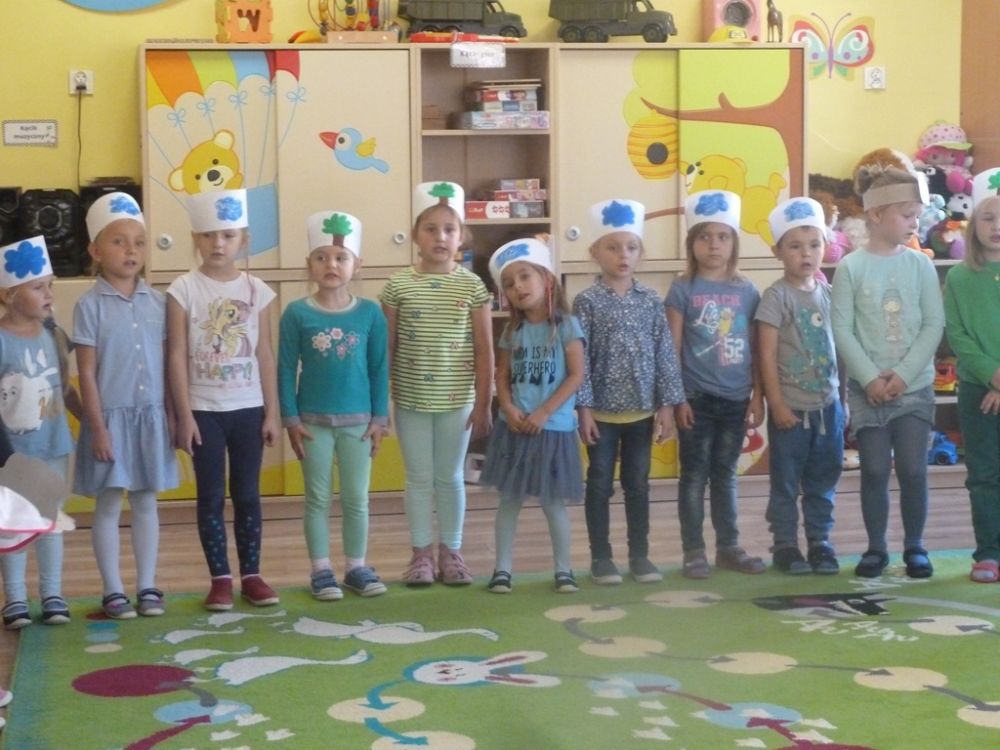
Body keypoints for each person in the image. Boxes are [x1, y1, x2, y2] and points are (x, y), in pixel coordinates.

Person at [166, 189, 281, 610]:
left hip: (248, 409)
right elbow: (176, 354)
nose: (218, 244)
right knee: (211, 496)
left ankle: (251, 575)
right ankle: (220, 579)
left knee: (248, 495)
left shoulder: (257, 290)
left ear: (243, 240)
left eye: (228, 235)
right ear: (195, 238)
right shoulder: (182, 289)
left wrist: (272, 412)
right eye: (208, 235)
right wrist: (184, 415)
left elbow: (264, 353)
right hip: (204, 411)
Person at [831, 159, 944, 579]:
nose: (914, 223)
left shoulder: (920, 265)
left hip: (914, 388)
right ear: (876, 214)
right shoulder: (851, 267)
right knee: (875, 470)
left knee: (913, 469)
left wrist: (903, 375)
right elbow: (842, 329)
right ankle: (876, 548)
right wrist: (869, 378)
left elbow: (933, 324)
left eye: (916, 215)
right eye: (906, 215)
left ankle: (915, 546)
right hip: (869, 392)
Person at [380, 182, 493, 586]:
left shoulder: (472, 286)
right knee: (418, 479)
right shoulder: (398, 285)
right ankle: (421, 555)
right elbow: (387, 348)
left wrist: (484, 403)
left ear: (462, 237)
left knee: (450, 478)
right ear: (415, 235)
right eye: (430, 229)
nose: (440, 237)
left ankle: (452, 552)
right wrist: (380, 404)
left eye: (449, 229)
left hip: (457, 401)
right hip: (410, 399)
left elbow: (484, 348)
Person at [74, 193, 178, 619]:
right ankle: (113, 590)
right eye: (118, 242)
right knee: (109, 503)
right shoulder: (89, 306)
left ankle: (147, 585)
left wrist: (172, 415)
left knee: (146, 501)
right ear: (95, 251)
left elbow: (169, 366)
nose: (130, 251)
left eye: (138, 242)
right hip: (110, 421)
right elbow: (86, 373)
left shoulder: (159, 302)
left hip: (150, 418)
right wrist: (97, 428)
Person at [278, 210, 389, 600]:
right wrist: (290, 418)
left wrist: (380, 418)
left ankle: (356, 566)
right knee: (317, 499)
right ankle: (321, 570)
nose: (332, 265)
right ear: (309, 264)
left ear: (357, 265)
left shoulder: (370, 313)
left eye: (341, 258)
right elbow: (285, 367)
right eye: (322, 257)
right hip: (313, 424)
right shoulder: (297, 313)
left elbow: (379, 367)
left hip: (359, 424)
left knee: (357, 499)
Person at [573, 199, 684, 585]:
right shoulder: (587, 302)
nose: (623, 255)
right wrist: (584, 408)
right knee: (599, 484)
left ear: (640, 253)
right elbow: (580, 359)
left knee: (638, 485)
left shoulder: (651, 300)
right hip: (602, 415)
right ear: (595, 252)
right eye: (613, 247)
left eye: (631, 247)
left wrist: (667, 405)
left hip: (641, 413)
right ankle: (601, 558)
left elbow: (665, 353)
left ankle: (639, 555)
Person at [665, 190, 766, 579]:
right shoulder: (682, 289)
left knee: (725, 475)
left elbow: (756, 348)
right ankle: (693, 551)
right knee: (693, 475)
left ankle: (729, 547)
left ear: (733, 243)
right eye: (705, 237)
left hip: (736, 399)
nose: (713, 245)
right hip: (696, 399)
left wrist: (757, 396)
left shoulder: (747, 291)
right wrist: (676, 400)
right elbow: (672, 350)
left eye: (722, 237)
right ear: (692, 243)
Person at [481, 238, 585, 593]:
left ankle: (564, 570)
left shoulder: (567, 326)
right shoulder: (513, 331)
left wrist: (544, 412)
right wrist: (508, 408)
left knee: (553, 503)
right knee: (509, 501)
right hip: (515, 427)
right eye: (509, 284)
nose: (518, 287)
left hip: (552, 428)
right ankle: (502, 570)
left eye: (525, 276)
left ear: (547, 279)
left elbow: (576, 376)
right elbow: (503, 375)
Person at [756, 197, 843, 575]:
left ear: (825, 246)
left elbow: (840, 348)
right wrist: (775, 403)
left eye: (814, 244)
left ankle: (820, 542)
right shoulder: (776, 297)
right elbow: (766, 354)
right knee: (786, 482)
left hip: (828, 407)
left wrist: (843, 401)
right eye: (794, 246)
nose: (806, 254)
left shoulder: (829, 293)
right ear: (778, 251)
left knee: (824, 478)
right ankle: (786, 545)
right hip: (791, 408)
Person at [0, 235, 81, 628]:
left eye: (50, 285)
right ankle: (15, 598)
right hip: (14, 453)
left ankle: (53, 594)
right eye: (38, 287)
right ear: (9, 295)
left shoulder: (53, 334)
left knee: (50, 522)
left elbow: (65, 387)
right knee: (13, 527)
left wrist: (92, 422)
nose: (49, 294)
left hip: (53, 446)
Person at [944, 167, 1000, 583]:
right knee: (983, 475)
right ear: (974, 224)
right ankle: (989, 553)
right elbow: (958, 336)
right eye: (988, 217)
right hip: (978, 392)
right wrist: (992, 376)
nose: (997, 226)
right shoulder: (959, 278)